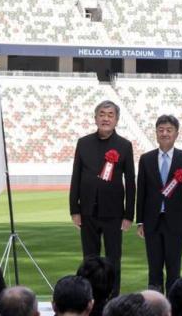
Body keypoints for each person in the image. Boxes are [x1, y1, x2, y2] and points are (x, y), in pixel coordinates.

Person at [70, 100, 136, 296]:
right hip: (87, 211)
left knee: (113, 258)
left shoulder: (124, 145)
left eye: (110, 115)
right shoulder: (83, 143)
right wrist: (74, 209)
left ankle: (113, 297)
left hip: (114, 213)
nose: (105, 118)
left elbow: (130, 181)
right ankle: (89, 297)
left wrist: (128, 214)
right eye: (102, 114)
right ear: (95, 117)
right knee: (89, 259)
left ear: (116, 120)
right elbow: (76, 176)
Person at [137, 114, 182, 292]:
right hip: (151, 221)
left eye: (169, 130)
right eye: (161, 130)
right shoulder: (146, 159)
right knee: (154, 268)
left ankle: (173, 306)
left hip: (176, 221)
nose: (165, 133)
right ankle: (155, 307)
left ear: (176, 133)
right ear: (156, 133)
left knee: (174, 268)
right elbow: (141, 192)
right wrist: (140, 221)